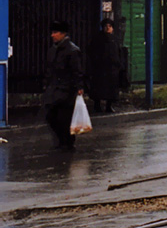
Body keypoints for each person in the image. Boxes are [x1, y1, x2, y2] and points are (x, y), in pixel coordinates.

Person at [42, 20, 84, 151]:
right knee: (51, 116)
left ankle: (67, 143)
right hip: (54, 89)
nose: (52, 35)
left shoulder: (72, 50)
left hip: (66, 90)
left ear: (63, 34)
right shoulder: (54, 50)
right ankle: (62, 141)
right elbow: (50, 70)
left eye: (55, 32)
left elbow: (77, 71)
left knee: (64, 118)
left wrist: (79, 87)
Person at [87, 18, 121, 113]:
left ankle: (109, 106)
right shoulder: (98, 39)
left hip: (112, 68)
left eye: (110, 26)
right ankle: (97, 105)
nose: (108, 28)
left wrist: (118, 64)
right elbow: (92, 52)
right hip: (100, 68)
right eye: (106, 26)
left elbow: (118, 52)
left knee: (111, 89)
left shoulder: (114, 39)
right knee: (99, 88)